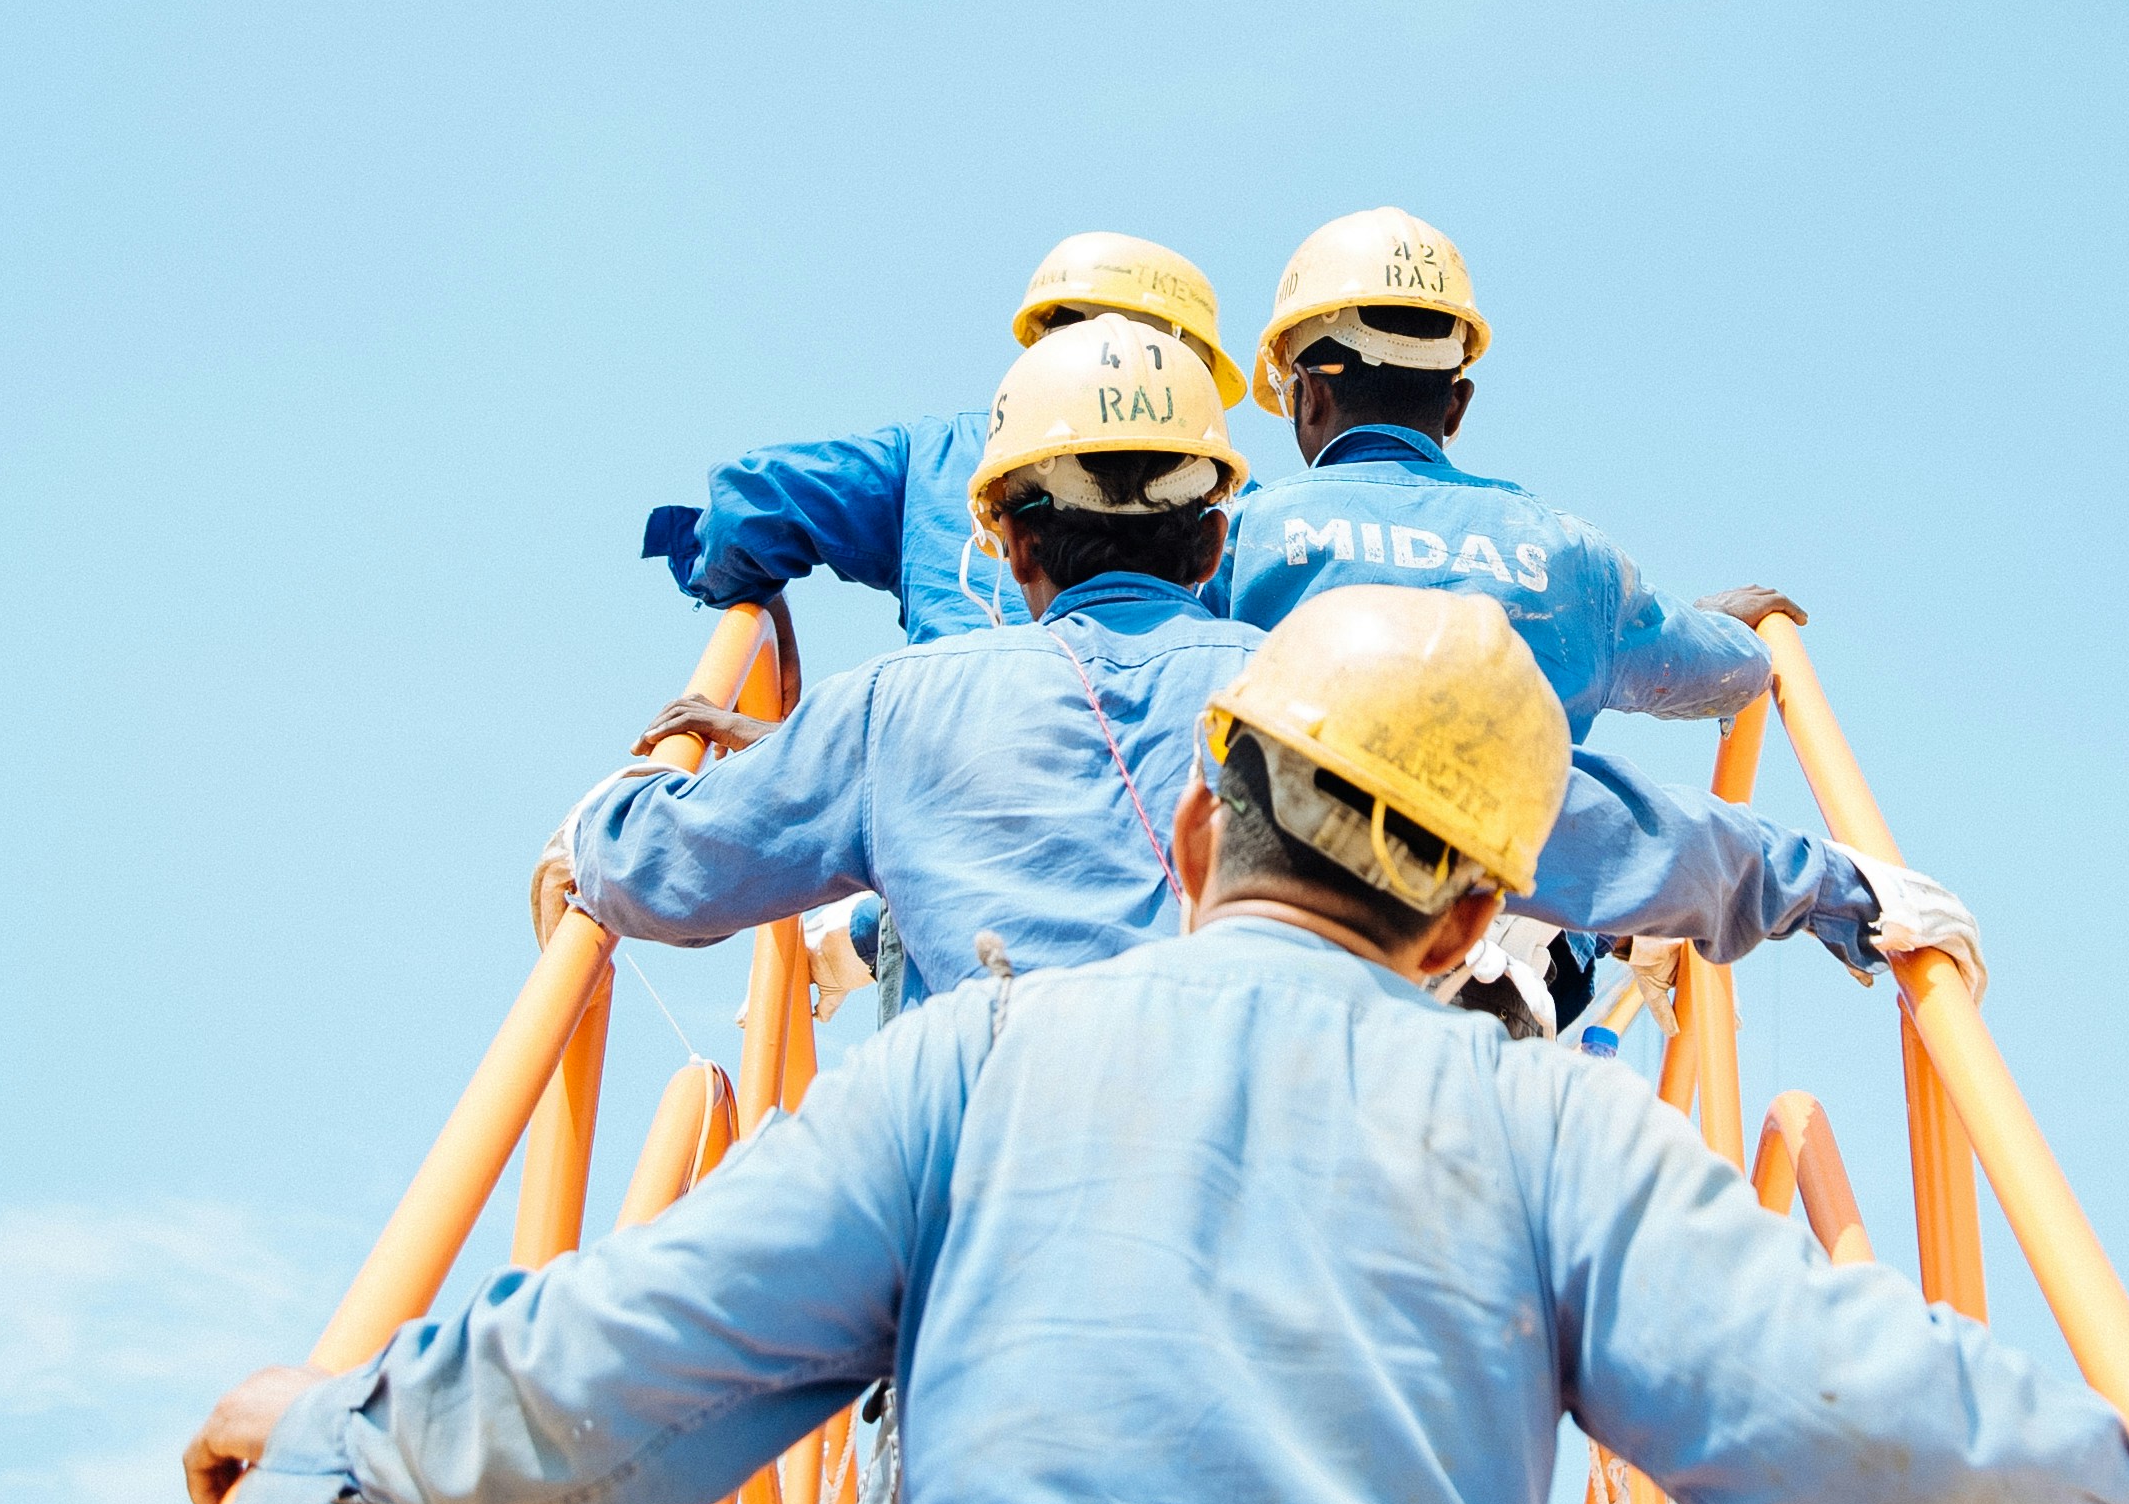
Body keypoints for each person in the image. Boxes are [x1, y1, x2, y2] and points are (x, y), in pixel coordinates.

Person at [188, 586, 2129, 1504]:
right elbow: (1840, 1404)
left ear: (1205, 819)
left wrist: (326, 1435)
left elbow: (636, 1357)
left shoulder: (962, 1066)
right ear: (1471, 912)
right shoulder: (1557, 1126)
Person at [530, 317, 1984, 1019]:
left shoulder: (889, 712)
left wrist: (623, 801)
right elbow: (1596, 821)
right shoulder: (1324, 693)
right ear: (1215, 514)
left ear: (1004, 534)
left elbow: (660, 871)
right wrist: (1831, 884)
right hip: (1280, 1253)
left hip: (981, 1280)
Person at [1214, 206, 1793, 744]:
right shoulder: (1572, 555)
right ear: (1456, 404)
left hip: (1291, 850)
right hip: (1521, 855)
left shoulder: (1237, 539)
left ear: (1308, 395)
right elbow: (1728, 671)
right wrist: (1718, 624)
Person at [639, 231, 1247, 646]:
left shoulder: (932, 460)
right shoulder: (1233, 507)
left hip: (939, 777)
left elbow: (748, 507)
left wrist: (750, 596)